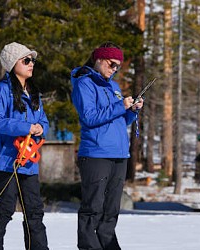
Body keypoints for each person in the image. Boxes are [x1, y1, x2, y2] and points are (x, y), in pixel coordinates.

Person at [71, 42, 143, 250]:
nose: (114, 69)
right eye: (112, 64)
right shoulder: (84, 83)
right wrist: (119, 106)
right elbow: (90, 117)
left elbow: (120, 120)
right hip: (96, 154)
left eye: (118, 66)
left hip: (119, 154)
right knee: (93, 208)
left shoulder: (114, 86)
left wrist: (132, 110)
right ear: (99, 59)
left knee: (111, 210)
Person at [0, 42, 50, 250]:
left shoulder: (34, 93)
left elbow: (43, 121)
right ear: (12, 64)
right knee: (5, 207)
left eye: (32, 60)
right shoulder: (1, 90)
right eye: (26, 60)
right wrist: (25, 127)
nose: (31, 64)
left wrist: (40, 129)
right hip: (4, 161)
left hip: (28, 161)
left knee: (34, 211)